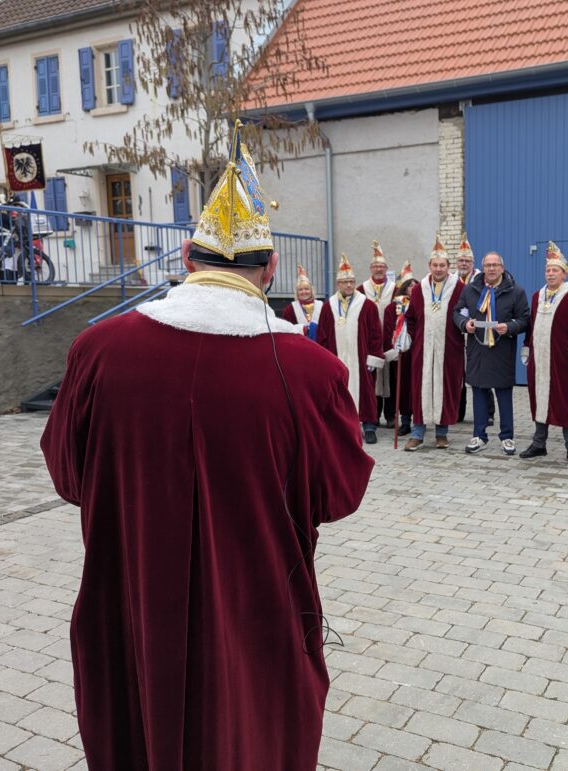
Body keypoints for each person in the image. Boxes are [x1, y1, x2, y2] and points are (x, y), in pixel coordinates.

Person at [40, 122, 373, 771]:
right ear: (270, 269)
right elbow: (339, 493)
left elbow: (68, 475)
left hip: (132, 610)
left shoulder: (97, 352)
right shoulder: (313, 372)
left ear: (187, 259)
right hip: (258, 616)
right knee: (247, 738)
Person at [454, 250, 530, 454]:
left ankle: (507, 437)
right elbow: (458, 311)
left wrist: (510, 327)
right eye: (488, 265)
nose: (492, 268)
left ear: (502, 268)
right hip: (477, 348)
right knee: (478, 391)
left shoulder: (516, 291)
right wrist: (464, 324)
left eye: (495, 265)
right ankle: (479, 435)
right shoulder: (471, 290)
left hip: (502, 349)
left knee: (504, 394)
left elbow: (524, 319)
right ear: (483, 268)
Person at [519, 242, 568, 463]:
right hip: (539, 359)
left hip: (562, 360)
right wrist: (527, 346)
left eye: (555, 270)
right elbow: (531, 325)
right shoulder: (537, 295)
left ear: (564, 274)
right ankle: (539, 444)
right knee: (539, 400)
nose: (550, 273)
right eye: (547, 270)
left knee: (565, 402)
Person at [403, 235, 465, 450]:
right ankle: (418, 433)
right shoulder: (419, 289)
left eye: (442, 265)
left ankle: (441, 433)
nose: (438, 269)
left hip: (450, 348)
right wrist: (407, 336)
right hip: (423, 348)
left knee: (445, 387)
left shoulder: (459, 288)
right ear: (429, 266)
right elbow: (410, 318)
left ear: (448, 266)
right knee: (421, 387)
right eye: (435, 265)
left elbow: (465, 314)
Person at [317, 253, 386, 444]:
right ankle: (342, 427)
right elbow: (322, 336)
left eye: (351, 282)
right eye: (344, 282)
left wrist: (374, 356)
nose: (348, 285)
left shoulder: (367, 306)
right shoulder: (328, 307)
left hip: (361, 359)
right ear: (338, 284)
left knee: (366, 392)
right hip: (337, 357)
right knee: (339, 392)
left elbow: (376, 334)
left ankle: (369, 427)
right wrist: (325, 360)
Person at [359, 240, 396, 426]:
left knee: (391, 378)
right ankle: (373, 416)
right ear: (370, 269)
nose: (378, 269)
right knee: (372, 378)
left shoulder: (395, 289)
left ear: (386, 268)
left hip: (389, 340)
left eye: (381, 266)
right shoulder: (361, 289)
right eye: (375, 266)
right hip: (369, 341)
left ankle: (390, 416)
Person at [454, 233, 491, 423]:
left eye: (467, 261)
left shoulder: (480, 279)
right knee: (459, 373)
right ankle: (458, 412)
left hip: (478, 330)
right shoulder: (452, 280)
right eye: (461, 260)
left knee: (482, 371)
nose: (463, 264)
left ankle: (489, 413)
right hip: (458, 330)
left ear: (473, 263)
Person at [383, 263, 417, 436]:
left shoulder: (419, 305)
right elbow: (387, 330)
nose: (413, 288)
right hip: (400, 354)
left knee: (415, 387)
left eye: (415, 285)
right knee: (401, 388)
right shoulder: (392, 308)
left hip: (415, 353)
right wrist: (392, 349)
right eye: (409, 285)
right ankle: (404, 420)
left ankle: (419, 420)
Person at [280, 264, 323, 340]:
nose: (304, 292)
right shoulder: (290, 309)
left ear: (311, 290)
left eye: (306, 289)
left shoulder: (321, 306)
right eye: (300, 289)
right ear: (297, 292)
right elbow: (286, 329)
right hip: (299, 343)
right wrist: (302, 329)